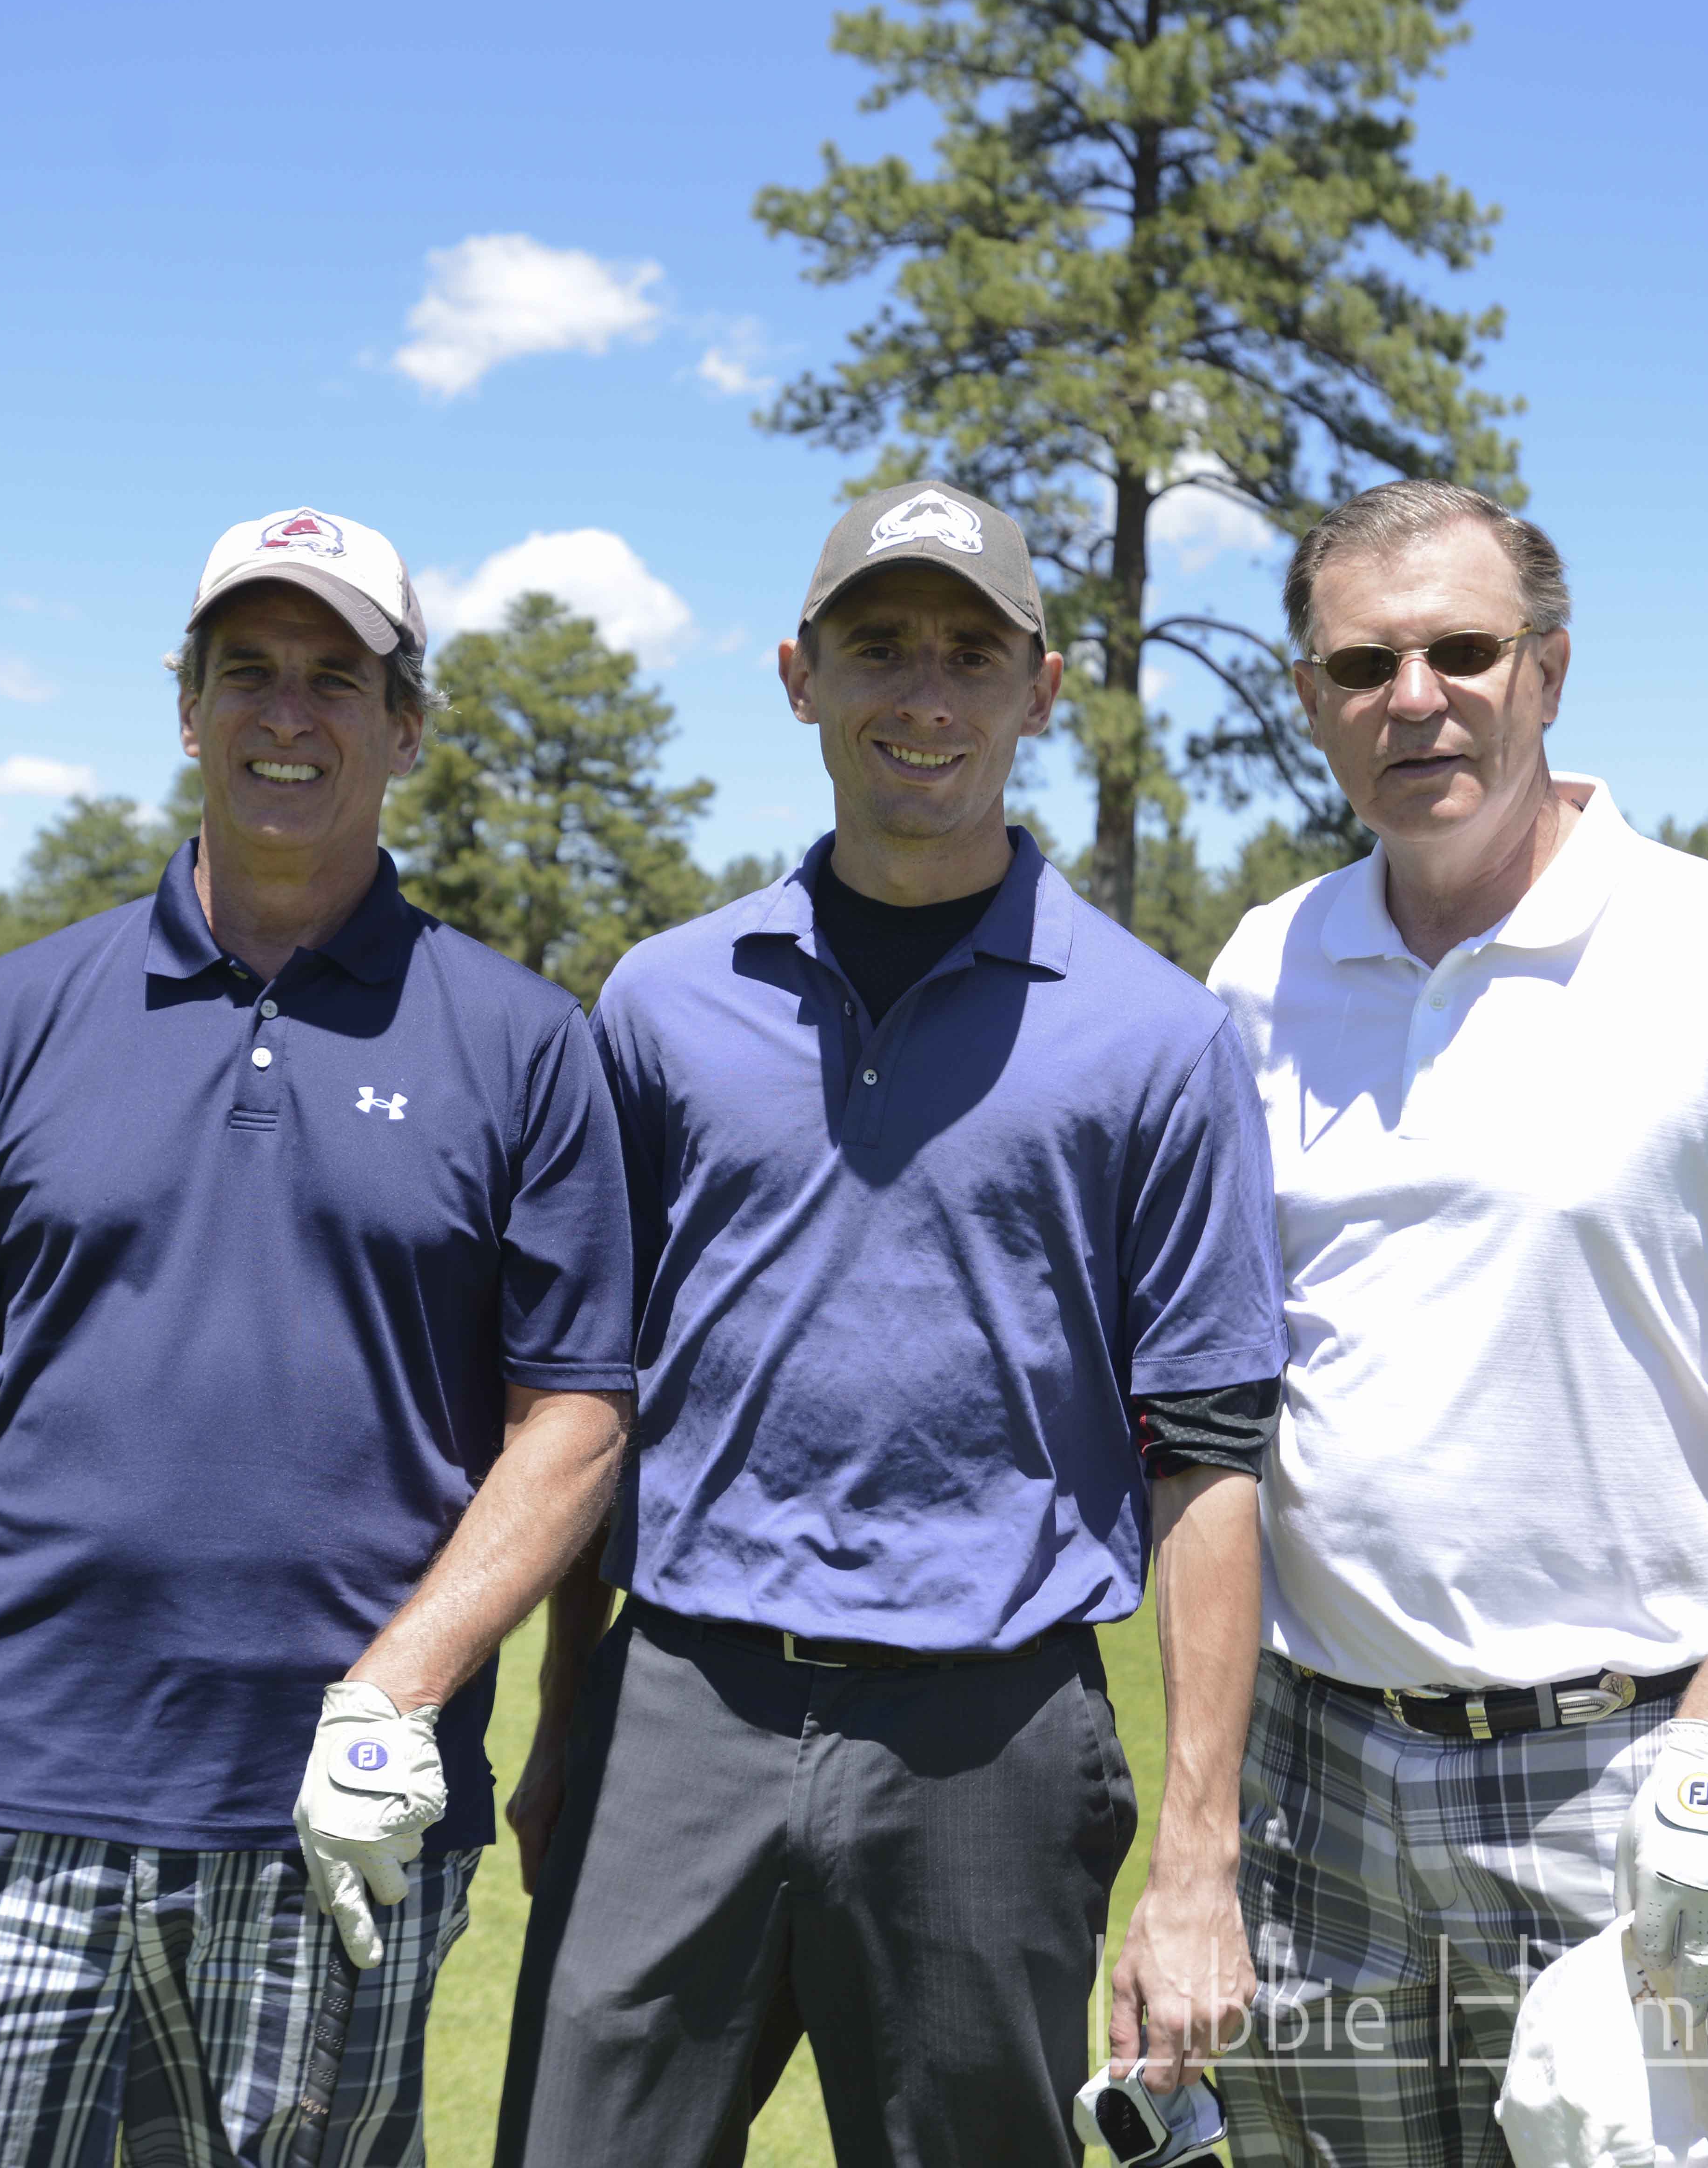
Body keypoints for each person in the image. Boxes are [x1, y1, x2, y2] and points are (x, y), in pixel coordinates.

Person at [0, 505, 638, 2167]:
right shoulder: (12, 1016)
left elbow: (575, 1421)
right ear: (187, 707)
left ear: (406, 727)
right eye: (248, 672)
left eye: (336, 679)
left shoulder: (524, 1043)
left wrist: (397, 1695)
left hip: (340, 1822)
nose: (288, 715)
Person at [1203, 480, 1708, 2167]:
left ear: (1549, 671)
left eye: (1463, 651)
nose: (1414, 698)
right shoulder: (1261, 972)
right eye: (1362, 665)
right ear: (1311, 700)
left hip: (1628, 1776)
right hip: (1317, 1773)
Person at [494, 481, 1289, 2168]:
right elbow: (589, 1400)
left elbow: (1213, 1462)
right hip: (680, 1709)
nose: (925, 694)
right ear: (801, 676)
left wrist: (1200, 1853)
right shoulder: (660, 1004)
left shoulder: (1158, 1038)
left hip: (989, 1744)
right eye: (879, 647)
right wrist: (566, 1717)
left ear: (1042, 690)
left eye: (971, 654)